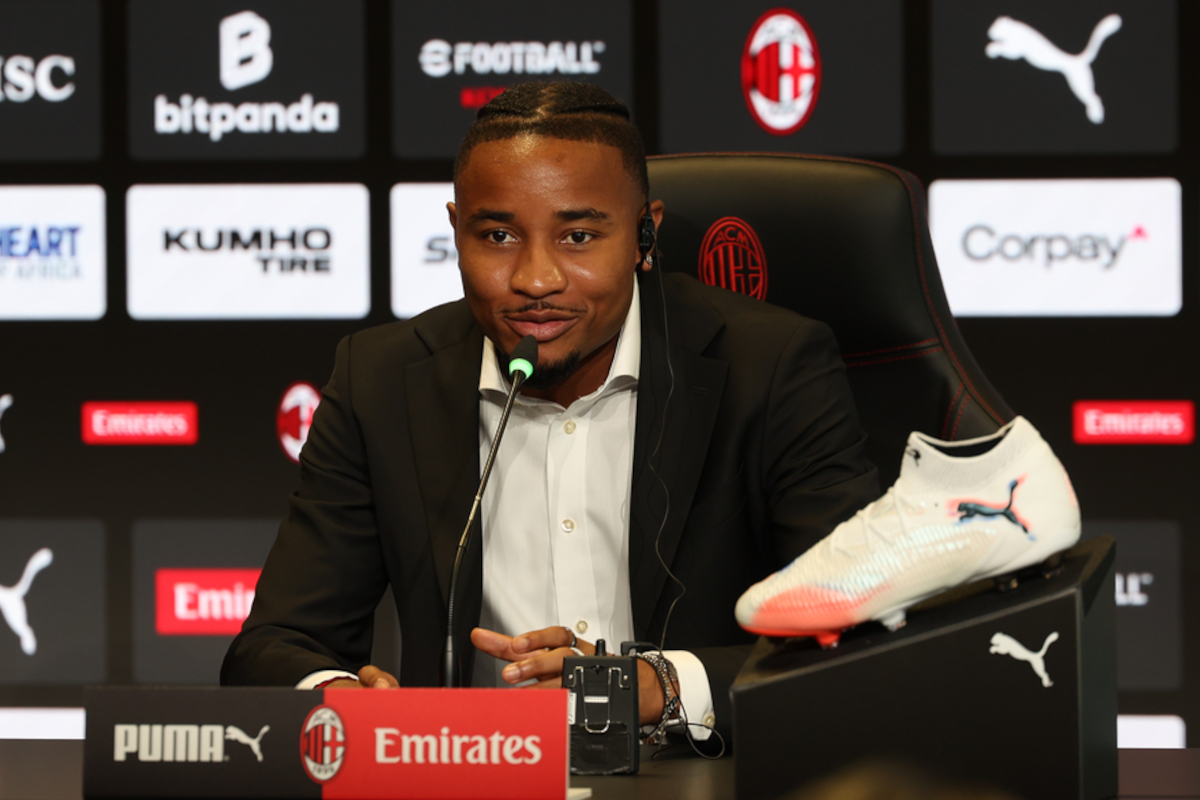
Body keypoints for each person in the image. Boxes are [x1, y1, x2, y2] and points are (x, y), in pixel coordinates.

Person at [221, 81, 879, 743]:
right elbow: (277, 645)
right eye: (499, 234)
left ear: (645, 235)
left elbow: (859, 639)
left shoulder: (772, 367)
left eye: (580, 235)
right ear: (456, 233)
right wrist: (338, 698)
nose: (537, 280)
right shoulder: (381, 380)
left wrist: (661, 685)